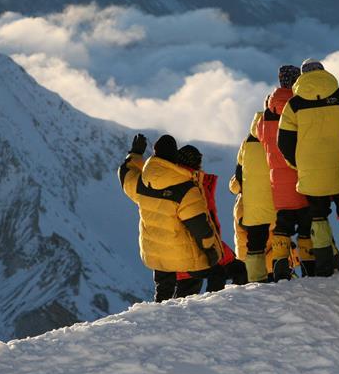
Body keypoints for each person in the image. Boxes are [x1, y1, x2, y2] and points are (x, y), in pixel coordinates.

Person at [278, 59, 339, 277]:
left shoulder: (294, 105)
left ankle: (325, 267)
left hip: (311, 173)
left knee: (318, 218)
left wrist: (299, 164)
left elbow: (284, 142)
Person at [118, 134, 222, 302]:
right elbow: (198, 224)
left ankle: (161, 320)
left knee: (163, 293)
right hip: (182, 254)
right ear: (175, 155)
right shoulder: (186, 187)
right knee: (197, 288)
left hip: (155, 252)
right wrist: (210, 248)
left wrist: (135, 153)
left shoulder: (141, 183)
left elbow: (125, 174)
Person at [257, 65, 315, 279]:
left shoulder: (267, 113)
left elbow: (262, 140)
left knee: (283, 224)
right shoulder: (301, 106)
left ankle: (280, 264)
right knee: (307, 225)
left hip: (277, 178)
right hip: (301, 173)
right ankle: (310, 266)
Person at [176, 145, 248, 291]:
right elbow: (201, 226)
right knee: (234, 272)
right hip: (198, 253)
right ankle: (221, 309)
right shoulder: (192, 187)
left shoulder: (190, 183)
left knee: (186, 299)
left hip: (189, 254)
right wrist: (216, 251)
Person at [232, 110, 277, 283]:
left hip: (247, 260)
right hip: (269, 261)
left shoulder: (247, 143)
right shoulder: (275, 142)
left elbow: (238, 173)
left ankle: (256, 278)